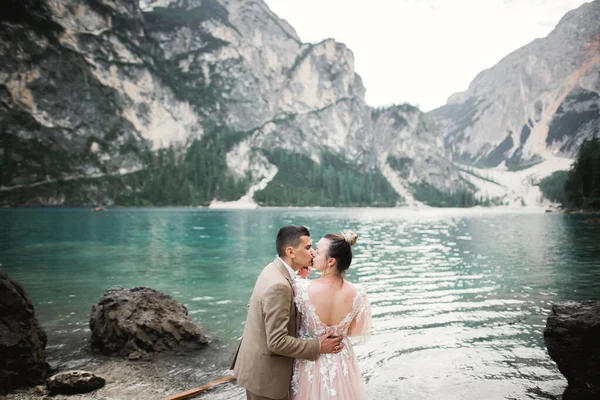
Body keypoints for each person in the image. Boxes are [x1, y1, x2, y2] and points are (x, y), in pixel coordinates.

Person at [232, 226, 345, 400]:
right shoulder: (280, 286)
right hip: (267, 380)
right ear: (291, 252)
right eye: (307, 248)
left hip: (253, 367)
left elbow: (254, 307)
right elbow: (277, 342)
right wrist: (318, 346)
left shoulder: (272, 269)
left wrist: (296, 281)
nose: (313, 253)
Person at [292, 231, 372, 400]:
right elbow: (353, 331)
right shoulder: (359, 293)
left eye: (318, 251)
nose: (313, 252)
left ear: (330, 261)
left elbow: (291, 326)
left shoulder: (300, 288)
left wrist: (300, 278)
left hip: (310, 362)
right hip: (341, 358)